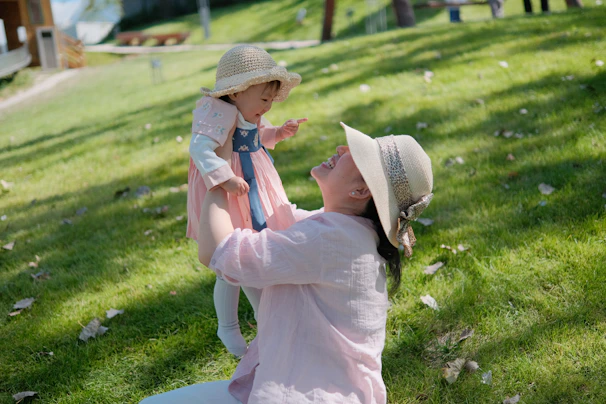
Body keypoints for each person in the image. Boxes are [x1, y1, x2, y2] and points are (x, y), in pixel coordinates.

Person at [141, 123, 434, 404]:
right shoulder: (347, 231)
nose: (341, 148)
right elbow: (274, 218)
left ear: (360, 192)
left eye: (356, 155)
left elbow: (220, 253)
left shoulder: (330, 239)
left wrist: (216, 176)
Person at [186, 44, 307, 356]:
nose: (267, 106)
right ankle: (229, 325)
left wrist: (279, 132)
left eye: (271, 99)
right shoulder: (218, 112)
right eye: (263, 98)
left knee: (250, 254)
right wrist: (223, 176)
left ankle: (266, 323)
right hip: (230, 189)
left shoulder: (249, 112)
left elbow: (256, 135)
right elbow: (199, 148)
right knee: (232, 258)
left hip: (255, 184)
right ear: (237, 92)